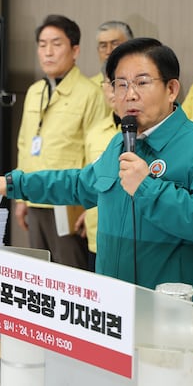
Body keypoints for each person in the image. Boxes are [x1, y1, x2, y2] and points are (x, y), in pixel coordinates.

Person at [0, 38, 193, 386]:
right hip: (115, 321)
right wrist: (16, 184)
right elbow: (81, 184)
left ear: (171, 89)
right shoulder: (121, 143)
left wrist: (148, 188)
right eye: (120, 84)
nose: (129, 94)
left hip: (175, 331)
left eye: (141, 82)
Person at [14, 14, 115, 270]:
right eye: (42, 44)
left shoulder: (90, 94)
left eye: (56, 44)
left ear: (75, 50)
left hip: (68, 203)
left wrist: (90, 207)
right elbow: (24, 144)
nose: (48, 52)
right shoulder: (34, 91)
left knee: (68, 274)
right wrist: (20, 196)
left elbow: (98, 154)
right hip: (33, 196)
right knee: (37, 273)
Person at [79, 20, 134, 271]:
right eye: (103, 45)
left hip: (134, 234)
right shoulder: (96, 131)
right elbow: (85, 177)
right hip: (97, 229)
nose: (109, 50)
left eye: (115, 43)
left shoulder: (146, 130)